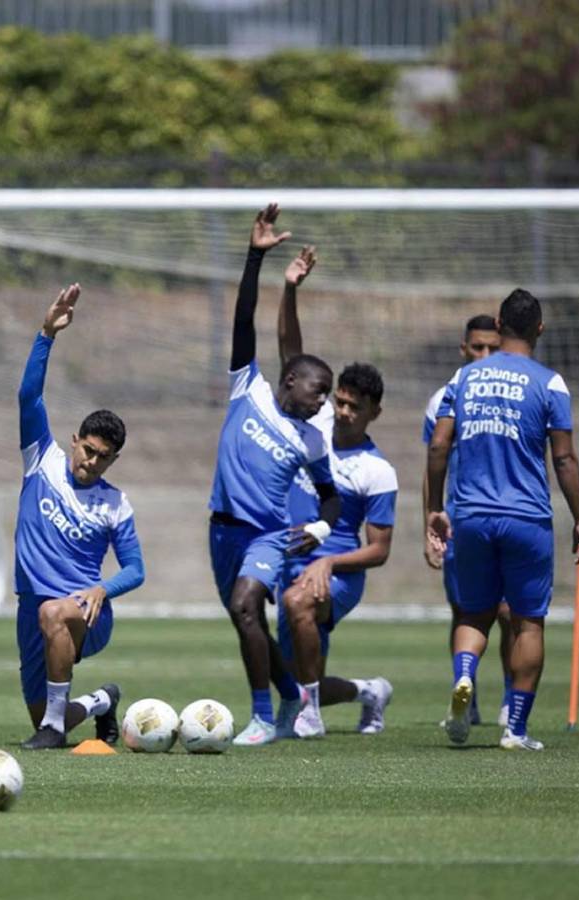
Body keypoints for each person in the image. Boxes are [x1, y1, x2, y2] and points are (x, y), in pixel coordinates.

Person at [426, 288, 579, 751]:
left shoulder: (463, 377)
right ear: (540, 329)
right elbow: (564, 459)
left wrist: (435, 509)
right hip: (526, 518)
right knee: (528, 622)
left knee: (473, 613)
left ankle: (464, 676)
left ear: (498, 325)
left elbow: (438, 445)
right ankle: (515, 729)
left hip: (471, 516)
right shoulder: (550, 384)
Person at [208, 204, 341, 747]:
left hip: (267, 536)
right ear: (290, 381)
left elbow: (331, 498)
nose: (323, 402)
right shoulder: (250, 390)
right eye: (318, 391)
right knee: (247, 620)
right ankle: (291, 697)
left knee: (245, 606)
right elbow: (243, 321)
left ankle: (262, 717)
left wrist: (320, 529)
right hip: (221, 530)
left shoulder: (312, 440)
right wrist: (253, 258)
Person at [274, 245, 398, 739]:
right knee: (295, 678)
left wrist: (328, 564)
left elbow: (379, 550)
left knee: (298, 605)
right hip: (290, 559)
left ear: (374, 413)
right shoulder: (316, 424)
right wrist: (289, 289)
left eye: (355, 407)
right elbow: (292, 356)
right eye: (340, 401)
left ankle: (310, 719)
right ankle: (370, 691)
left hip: (338, 573)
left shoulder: (377, 471)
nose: (343, 412)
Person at [15, 283, 145, 750]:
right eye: (88, 450)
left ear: (113, 460)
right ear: (75, 440)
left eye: (103, 457)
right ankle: (101, 702)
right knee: (44, 711)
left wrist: (101, 590)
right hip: (32, 609)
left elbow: (136, 569)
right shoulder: (41, 460)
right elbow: (28, 397)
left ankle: (53, 730)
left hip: (84, 613)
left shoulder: (114, 503)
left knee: (53, 611)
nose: (91, 462)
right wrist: (46, 334)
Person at [422, 315, 514, 728]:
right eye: (478, 347)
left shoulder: (514, 394)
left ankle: (510, 700)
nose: (485, 355)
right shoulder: (444, 397)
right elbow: (433, 462)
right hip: (458, 522)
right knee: (464, 610)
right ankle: (467, 698)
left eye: (493, 347)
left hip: (508, 516)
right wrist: (429, 526)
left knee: (510, 612)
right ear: (463, 349)